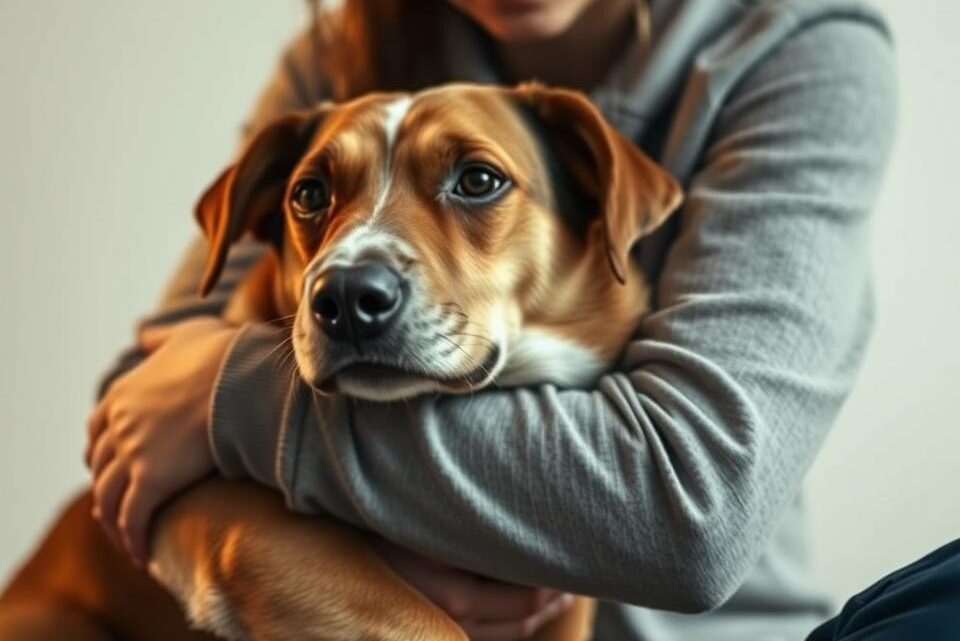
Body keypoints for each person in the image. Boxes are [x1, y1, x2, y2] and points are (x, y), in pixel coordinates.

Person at [83, 0, 960, 639]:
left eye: (475, 181)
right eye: (316, 198)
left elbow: (693, 512)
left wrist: (233, 394)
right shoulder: (345, 52)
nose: (351, 282)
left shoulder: (795, 47)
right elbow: (139, 410)